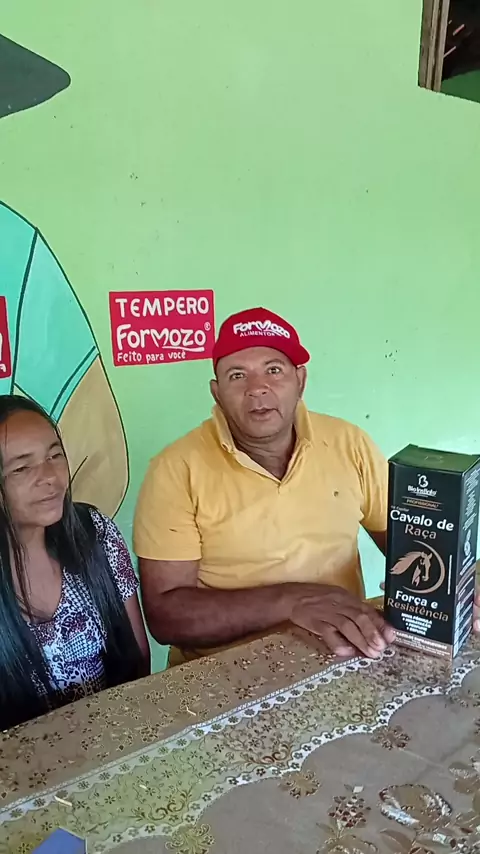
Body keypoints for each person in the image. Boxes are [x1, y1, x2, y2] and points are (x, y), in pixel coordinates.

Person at [134, 306, 397, 666]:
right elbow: (166, 617)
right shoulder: (175, 469)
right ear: (216, 393)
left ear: (300, 380)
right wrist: (291, 601)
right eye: (237, 375)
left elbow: (411, 545)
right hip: (224, 672)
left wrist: (458, 586)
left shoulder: (348, 443)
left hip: (341, 656)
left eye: (274, 370)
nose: (257, 388)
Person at [0, 395, 149, 731]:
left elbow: (137, 661)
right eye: (22, 468)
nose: (50, 477)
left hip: (115, 739)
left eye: (55, 456)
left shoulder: (95, 533)